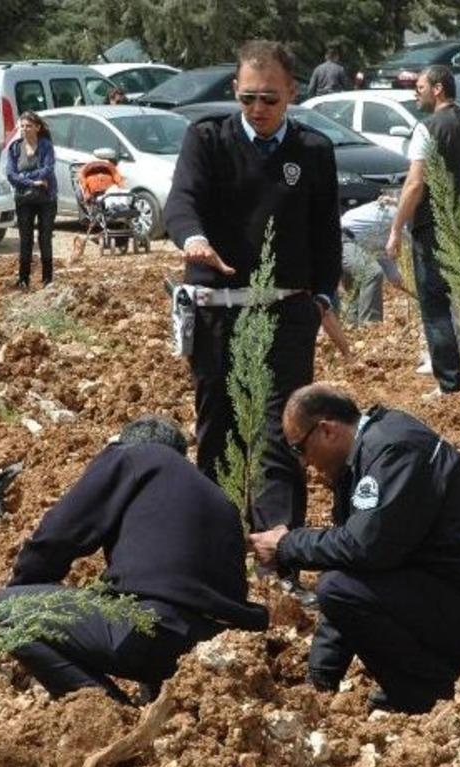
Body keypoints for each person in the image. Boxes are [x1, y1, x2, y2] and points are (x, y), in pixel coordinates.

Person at [164, 40, 341, 600]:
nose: (258, 108)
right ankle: (216, 546)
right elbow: (181, 202)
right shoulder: (208, 140)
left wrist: (324, 298)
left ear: (293, 91)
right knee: (217, 423)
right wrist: (193, 240)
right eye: (247, 97)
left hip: (286, 310)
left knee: (280, 431)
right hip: (219, 309)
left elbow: (325, 232)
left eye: (269, 97)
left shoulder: (313, 149)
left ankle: (278, 558)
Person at [249, 385, 460, 713]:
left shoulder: (394, 451)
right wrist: (320, 681)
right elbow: (353, 564)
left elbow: (363, 550)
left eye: (299, 449)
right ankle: (413, 684)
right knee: (342, 583)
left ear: (327, 430)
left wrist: (287, 544)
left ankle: (428, 691)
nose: (303, 464)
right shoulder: (368, 454)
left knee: (338, 587)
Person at [0, 416, 268, 703]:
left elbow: (59, 535)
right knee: (154, 612)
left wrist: (21, 591)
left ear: (126, 443)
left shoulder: (132, 457)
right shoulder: (219, 499)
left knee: (4, 610)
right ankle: (151, 708)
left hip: (151, 631)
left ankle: (111, 715)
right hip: (216, 647)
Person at [386, 65, 460, 397]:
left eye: (420, 86)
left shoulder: (427, 129)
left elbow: (415, 184)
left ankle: (450, 384)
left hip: (435, 226)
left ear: (438, 88)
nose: (416, 92)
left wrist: (396, 229)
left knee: (435, 304)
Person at [6, 111, 57, 289]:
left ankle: (48, 278)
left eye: (29, 126)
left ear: (37, 127)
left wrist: (25, 176)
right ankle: (23, 278)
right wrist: (32, 181)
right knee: (25, 239)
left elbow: (48, 169)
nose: (25, 129)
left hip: (46, 199)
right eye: (22, 126)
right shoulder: (14, 148)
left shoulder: (46, 145)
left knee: (45, 238)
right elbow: (11, 175)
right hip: (24, 199)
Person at [339, 196, 406, 325]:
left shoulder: (388, 211)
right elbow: (387, 247)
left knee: (356, 287)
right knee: (372, 273)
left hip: (350, 242)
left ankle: (353, 328)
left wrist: (394, 276)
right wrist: (394, 275)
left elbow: (381, 250)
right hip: (341, 239)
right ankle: (371, 325)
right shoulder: (393, 215)